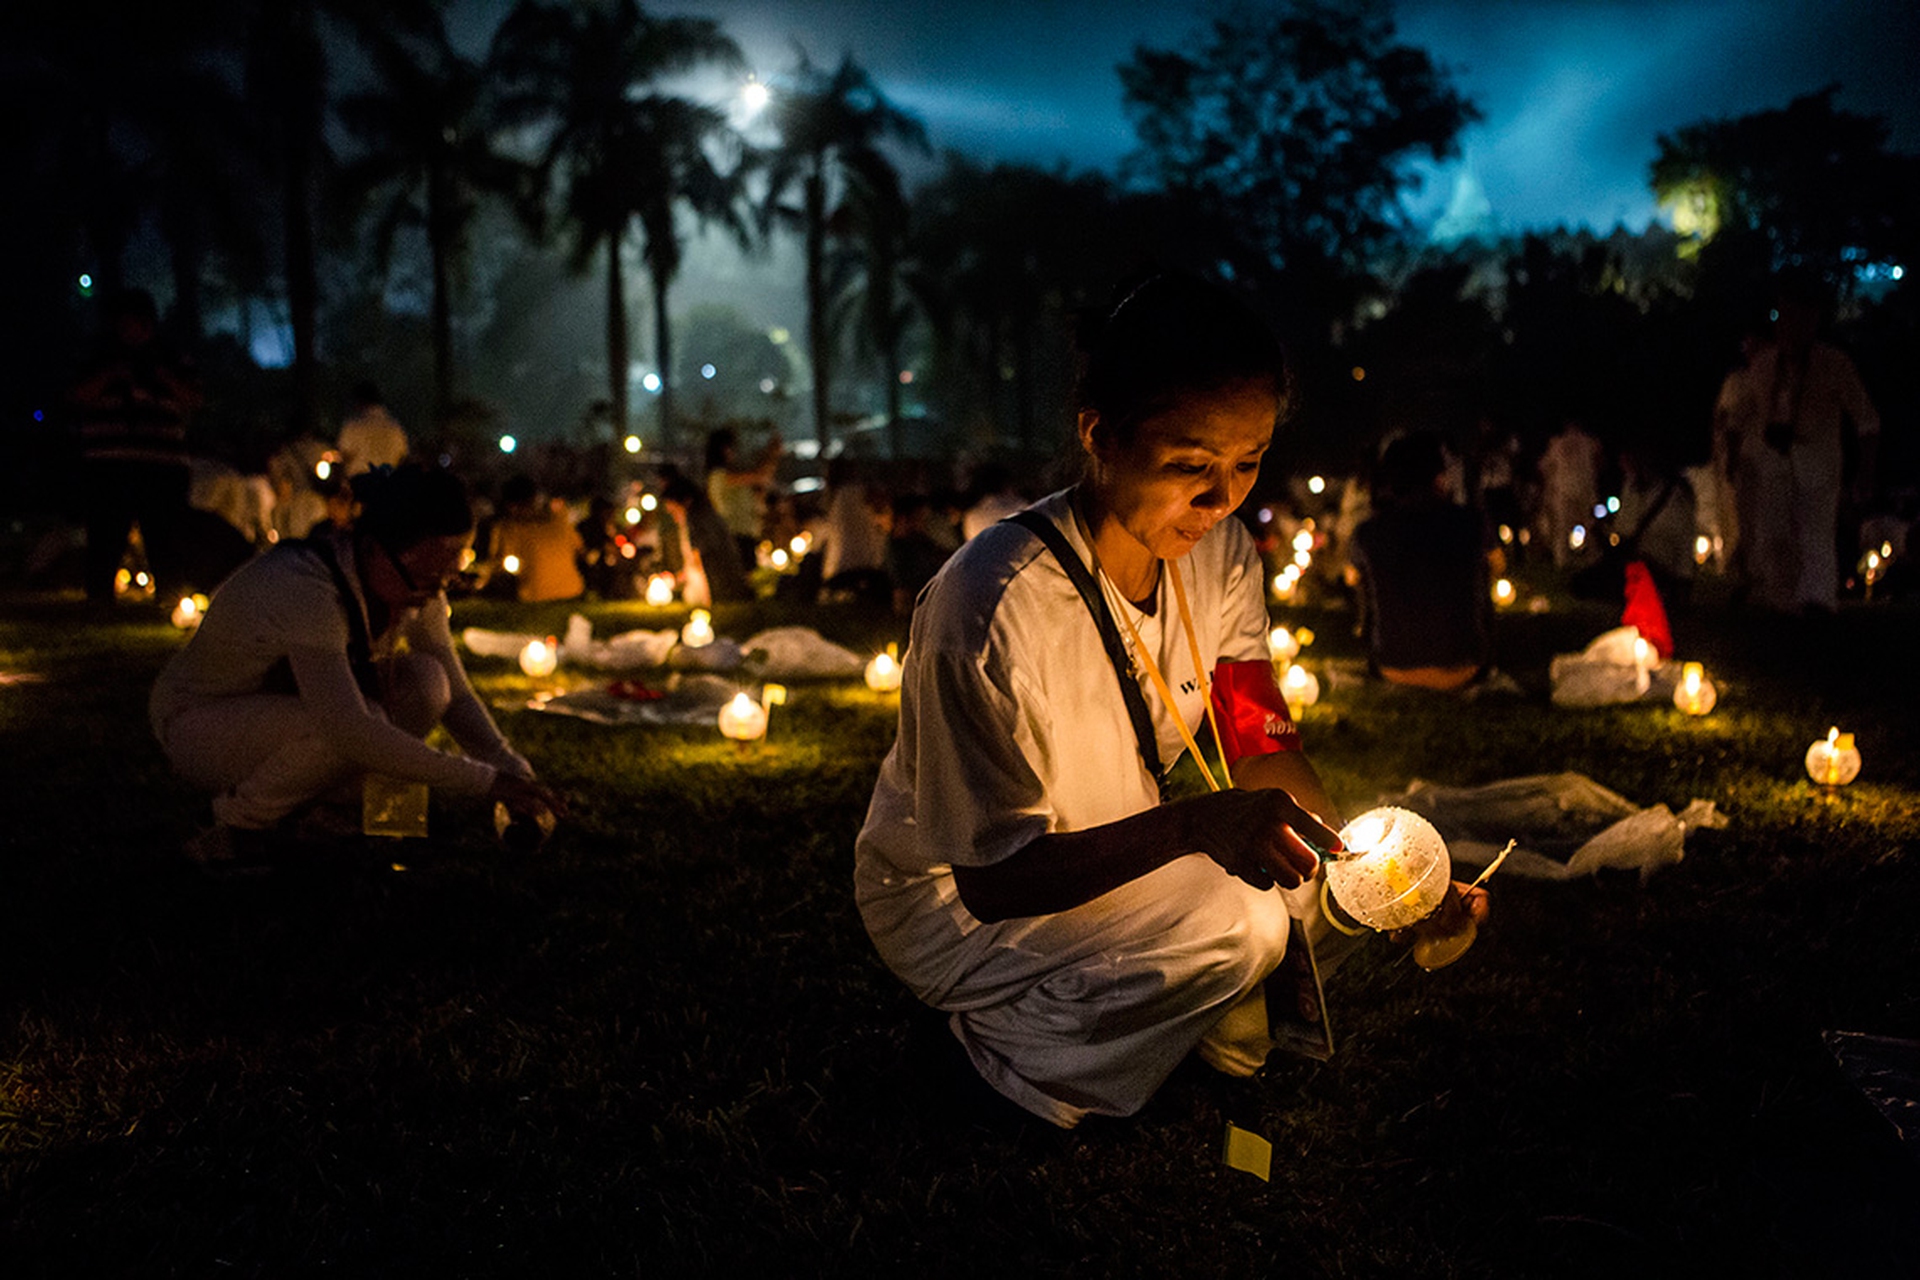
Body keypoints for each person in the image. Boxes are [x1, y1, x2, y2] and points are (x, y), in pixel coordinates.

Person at [855, 274, 1487, 1129]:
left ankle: (1202, 1025)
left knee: (1295, 881)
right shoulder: (990, 606)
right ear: (1101, 437)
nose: (1223, 500)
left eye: (1249, 463)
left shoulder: (1221, 556)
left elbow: (1259, 738)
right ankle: (1010, 1061)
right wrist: (1193, 825)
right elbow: (994, 879)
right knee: (1244, 923)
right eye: (1190, 466)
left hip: (1114, 857)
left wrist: (1381, 879)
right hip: (957, 905)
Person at [150, 464, 565, 865]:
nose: (435, 591)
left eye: (448, 576)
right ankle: (233, 823)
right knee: (343, 727)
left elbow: (454, 694)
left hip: (289, 719)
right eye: (425, 576)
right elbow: (345, 727)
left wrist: (513, 769)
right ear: (371, 549)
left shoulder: (416, 587)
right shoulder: (303, 583)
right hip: (200, 723)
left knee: (427, 680)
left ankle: (338, 811)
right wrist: (486, 781)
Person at [1714, 276, 1880, 613]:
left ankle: (1817, 602)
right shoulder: (1763, 366)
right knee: (1773, 534)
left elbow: (1867, 420)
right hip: (1773, 463)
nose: (1789, 327)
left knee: (1816, 534)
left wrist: (1865, 470)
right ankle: (1781, 599)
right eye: (1783, 318)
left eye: (1797, 318)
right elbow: (1738, 416)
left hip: (1818, 461)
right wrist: (1733, 458)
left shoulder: (1833, 365)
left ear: (1812, 321)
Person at [67, 288, 204, 604]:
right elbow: (75, 396)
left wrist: (159, 374)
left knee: (164, 534)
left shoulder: (170, 356)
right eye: (123, 322)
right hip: (108, 460)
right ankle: (99, 596)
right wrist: (112, 373)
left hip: (162, 461)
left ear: (148, 324)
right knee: (105, 532)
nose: (128, 329)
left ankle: (170, 595)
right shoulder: (97, 355)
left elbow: (194, 398)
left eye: (135, 322)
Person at [1345, 433, 1494, 690]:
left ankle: (1379, 637)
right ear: (1439, 477)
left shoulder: (1368, 532)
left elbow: (1351, 577)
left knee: (1362, 577)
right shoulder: (1473, 522)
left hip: (1392, 667)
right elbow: (1497, 565)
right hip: (1466, 668)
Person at [485, 474, 585, 603]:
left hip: (534, 595)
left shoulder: (507, 529)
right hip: (573, 590)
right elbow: (581, 550)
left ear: (510, 505)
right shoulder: (559, 522)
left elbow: (498, 564)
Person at [660, 468, 751, 605]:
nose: (674, 518)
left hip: (719, 589)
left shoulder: (701, 521)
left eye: (674, 511)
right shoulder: (697, 520)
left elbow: (700, 558)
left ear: (686, 502)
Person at [704, 426, 781, 567]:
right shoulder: (719, 477)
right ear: (724, 449)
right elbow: (762, 476)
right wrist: (772, 455)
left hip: (742, 536)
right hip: (736, 537)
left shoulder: (726, 478)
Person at [335, 382, 410, 478]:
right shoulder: (395, 428)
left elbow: (344, 455)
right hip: (387, 484)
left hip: (360, 484)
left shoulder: (353, 426)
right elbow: (402, 457)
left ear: (358, 401)